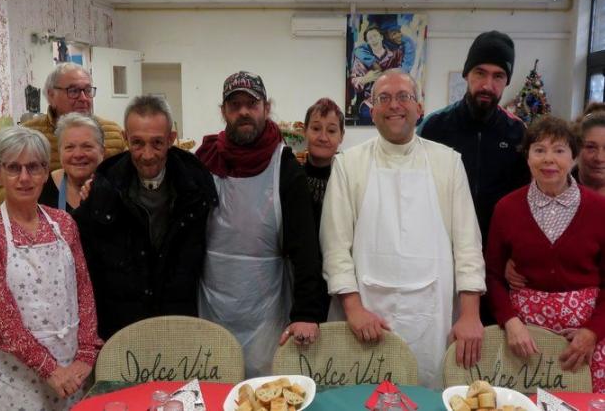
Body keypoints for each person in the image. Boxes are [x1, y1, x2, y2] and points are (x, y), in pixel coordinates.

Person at [321, 69, 486, 389]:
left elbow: (468, 245)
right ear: (371, 108)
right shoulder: (348, 164)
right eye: (384, 98)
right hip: (367, 314)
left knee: (425, 393)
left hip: (432, 314)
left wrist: (469, 314)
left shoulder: (448, 163)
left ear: (419, 107)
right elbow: (335, 246)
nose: (394, 105)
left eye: (403, 97)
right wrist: (353, 309)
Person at [196, 71, 327, 377]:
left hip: (266, 306)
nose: (243, 111)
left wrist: (307, 312)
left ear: (266, 108)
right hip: (212, 299)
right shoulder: (204, 161)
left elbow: (306, 247)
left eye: (251, 104)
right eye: (235, 104)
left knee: (264, 389)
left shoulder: (285, 168)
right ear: (223, 112)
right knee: (215, 383)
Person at [0, 126, 102, 409]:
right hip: (16, 376)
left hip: (71, 371)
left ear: (45, 170)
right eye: (14, 168)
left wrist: (86, 354)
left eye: (34, 167)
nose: (25, 178)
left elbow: (84, 292)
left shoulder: (64, 224)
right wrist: (50, 369)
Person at [73, 95, 217, 340]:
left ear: (172, 139)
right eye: (137, 143)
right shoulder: (103, 188)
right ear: (125, 137)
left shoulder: (198, 185)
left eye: (157, 143)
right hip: (122, 332)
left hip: (181, 328)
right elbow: (86, 272)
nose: (147, 154)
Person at [485, 115, 605, 393]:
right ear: (527, 157)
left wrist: (592, 332)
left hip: (586, 336)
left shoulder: (599, 210)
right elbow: (492, 275)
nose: (549, 159)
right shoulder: (506, 209)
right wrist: (510, 322)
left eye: (559, 150)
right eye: (539, 150)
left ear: (573, 158)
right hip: (524, 336)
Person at [418, 30, 530, 247]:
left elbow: (525, 200)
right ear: (466, 74)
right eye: (480, 73)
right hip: (440, 245)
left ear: (507, 81)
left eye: (498, 76)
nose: (488, 85)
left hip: (497, 249)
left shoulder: (518, 132)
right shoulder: (434, 127)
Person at [23, 62, 125, 170]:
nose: (83, 98)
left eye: (88, 90)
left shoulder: (114, 133)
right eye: (73, 91)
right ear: (51, 95)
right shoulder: (27, 134)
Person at [38, 113, 104, 212]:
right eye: (69, 147)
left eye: (87, 146)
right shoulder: (42, 187)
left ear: (102, 152)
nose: (78, 154)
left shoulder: (117, 189)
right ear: (60, 153)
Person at [302, 97, 345, 232]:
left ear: (341, 136)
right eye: (316, 128)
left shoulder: (348, 181)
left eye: (331, 131)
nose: (323, 137)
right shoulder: (291, 177)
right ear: (305, 132)